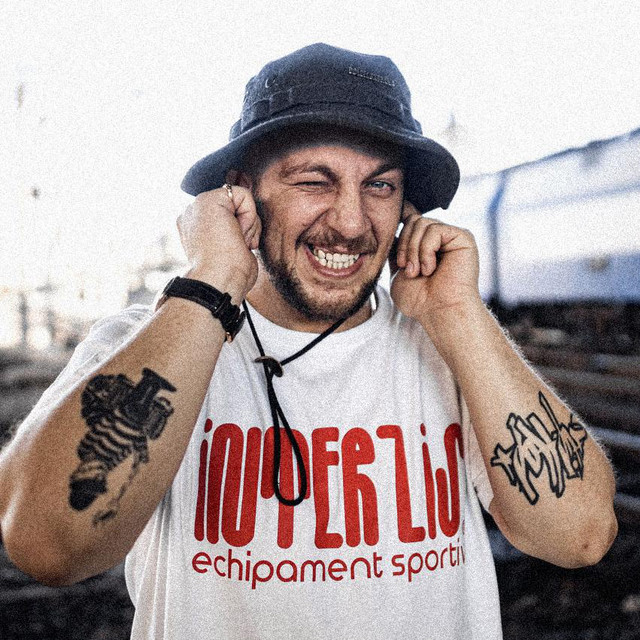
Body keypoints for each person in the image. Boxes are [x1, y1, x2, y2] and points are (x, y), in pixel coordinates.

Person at [0, 43, 617, 639]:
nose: (350, 222)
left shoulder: (448, 347)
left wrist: (460, 314)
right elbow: (46, 546)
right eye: (314, 182)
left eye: (380, 186)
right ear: (241, 192)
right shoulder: (146, 342)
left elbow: (582, 536)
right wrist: (212, 281)